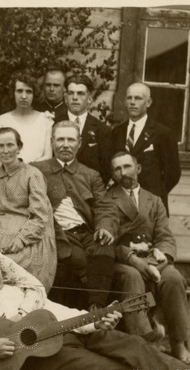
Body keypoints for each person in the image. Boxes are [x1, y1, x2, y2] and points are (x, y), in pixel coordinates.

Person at [0, 241, 190, 370]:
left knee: (133, 345)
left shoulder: (15, 291)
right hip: (46, 357)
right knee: (115, 369)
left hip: (71, 333)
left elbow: (59, 312)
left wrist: (96, 322)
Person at [108, 152, 190, 364]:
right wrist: (134, 259)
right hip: (122, 261)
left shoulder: (154, 200)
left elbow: (164, 235)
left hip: (153, 258)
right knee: (132, 277)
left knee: (173, 278)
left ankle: (178, 343)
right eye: (117, 169)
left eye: (127, 166)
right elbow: (110, 242)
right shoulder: (106, 199)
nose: (123, 172)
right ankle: (143, 342)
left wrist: (162, 256)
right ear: (112, 174)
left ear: (138, 169)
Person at [32, 120, 118, 310]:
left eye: (70, 140)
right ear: (52, 142)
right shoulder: (37, 170)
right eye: (60, 139)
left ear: (79, 143)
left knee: (104, 248)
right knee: (76, 260)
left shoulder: (90, 175)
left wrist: (104, 227)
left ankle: (96, 308)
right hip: (58, 234)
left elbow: (104, 206)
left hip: (86, 233)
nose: (65, 144)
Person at [0, 127, 57, 291]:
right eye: (1, 146)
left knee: (9, 268)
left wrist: (21, 240)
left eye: (10, 145)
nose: (6, 150)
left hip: (30, 237)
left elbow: (40, 217)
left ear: (19, 147)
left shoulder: (32, 175)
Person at [111, 82, 181, 215]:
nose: (132, 102)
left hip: (151, 204)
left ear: (148, 102)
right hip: (122, 203)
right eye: (129, 98)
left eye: (138, 98)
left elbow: (173, 173)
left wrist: (155, 193)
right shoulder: (117, 132)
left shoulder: (163, 133)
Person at [53, 74, 112, 185]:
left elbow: (105, 170)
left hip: (88, 193)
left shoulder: (102, 130)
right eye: (71, 93)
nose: (75, 97)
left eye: (80, 93)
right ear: (66, 98)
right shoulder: (53, 124)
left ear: (89, 98)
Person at [0, 74, 53, 167]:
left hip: (37, 175)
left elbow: (48, 156)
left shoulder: (45, 120)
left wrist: (27, 173)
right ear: (13, 93)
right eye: (19, 91)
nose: (24, 96)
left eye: (29, 92)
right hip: (8, 176)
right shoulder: (2, 120)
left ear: (34, 94)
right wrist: (15, 173)